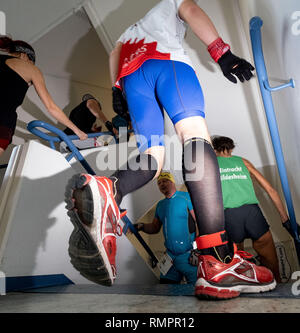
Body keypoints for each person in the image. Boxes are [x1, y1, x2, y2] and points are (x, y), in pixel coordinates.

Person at [65, 0, 275, 299]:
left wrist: (116, 89)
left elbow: (114, 53)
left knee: (153, 156)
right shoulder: (169, 4)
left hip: (132, 79)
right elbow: (189, 8)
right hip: (167, 63)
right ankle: (218, 259)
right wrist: (221, 51)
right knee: (193, 134)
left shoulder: (126, 34)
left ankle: (109, 190)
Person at [212, 136, 295, 282]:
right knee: (274, 271)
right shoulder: (243, 162)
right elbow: (271, 190)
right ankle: (278, 291)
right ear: (231, 148)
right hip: (253, 215)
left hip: (230, 218)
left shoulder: (211, 165)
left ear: (214, 150)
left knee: (240, 271)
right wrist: (286, 221)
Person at [0, 36, 87, 158]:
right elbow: (51, 107)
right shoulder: (31, 69)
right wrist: (78, 131)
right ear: (25, 56)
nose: (29, 84)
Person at [133, 172, 198, 284]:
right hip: (169, 257)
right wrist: (141, 226)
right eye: (159, 183)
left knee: (195, 289)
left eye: (165, 181)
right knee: (165, 290)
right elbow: (155, 227)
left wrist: (198, 250)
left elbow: (199, 223)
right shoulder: (160, 205)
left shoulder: (186, 197)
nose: (162, 184)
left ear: (172, 182)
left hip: (188, 255)